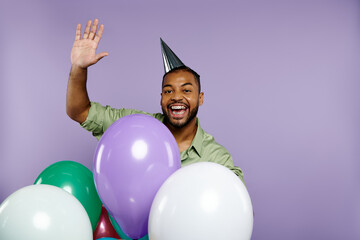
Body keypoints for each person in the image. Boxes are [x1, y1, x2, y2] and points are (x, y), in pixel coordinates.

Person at [66, 19, 245, 184]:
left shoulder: (215, 157)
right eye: (169, 91)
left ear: (200, 98)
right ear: (161, 98)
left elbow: (238, 204)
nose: (176, 96)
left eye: (186, 90)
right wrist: (78, 68)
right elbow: (79, 111)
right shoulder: (135, 126)